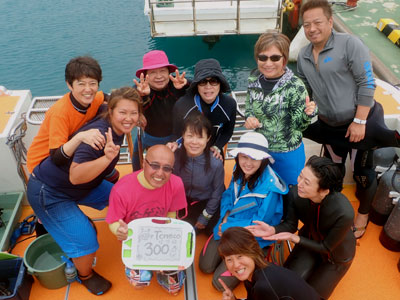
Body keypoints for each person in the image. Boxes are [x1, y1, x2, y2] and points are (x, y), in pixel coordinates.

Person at [297, 0, 400, 238]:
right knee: (331, 170)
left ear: (330, 21)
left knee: (363, 173)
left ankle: (362, 214)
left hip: (361, 123)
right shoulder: (303, 55)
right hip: (328, 125)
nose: (311, 28)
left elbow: (367, 82)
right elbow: (305, 88)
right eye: (306, 24)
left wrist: (360, 121)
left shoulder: (350, 44)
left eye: (317, 22)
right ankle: (332, 209)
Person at [27, 87, 142, 295]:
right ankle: (85, 275)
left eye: (133, 113)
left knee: (127, 197)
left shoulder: (116, 123)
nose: (128, 118)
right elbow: (76, 176)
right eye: (123, 113)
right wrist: (107, 159)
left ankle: (63, 222)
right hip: (50, 192)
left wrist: (137, 117)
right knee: (88, 241)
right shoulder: (98, 137)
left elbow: (118, 104)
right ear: (111, 112)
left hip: (84, 185)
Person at [247, 156, 356, 299]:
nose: (300, 184)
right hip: (309, 240)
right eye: (300, 176)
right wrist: (273, 229)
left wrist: (295, 238)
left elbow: (326, 247)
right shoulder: (295, 194)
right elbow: (291, 224)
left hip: (335, 256)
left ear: (324, 190)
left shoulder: (344, 212)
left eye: (307, 182)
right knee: (284, 286)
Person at [198, 132, 288, 291]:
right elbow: (227, 196)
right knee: (205, 267)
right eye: (244, 157)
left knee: (219, 284)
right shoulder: (238, 170)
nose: (247, 163)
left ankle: (262, 253)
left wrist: (226, 228)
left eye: (254, 158)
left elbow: (259, 225)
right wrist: (225, 217)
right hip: (228, 225)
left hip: (252, 238)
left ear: (263, 159)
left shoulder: (270, 188)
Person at [106, 145, 187, 295]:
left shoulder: (176, 184)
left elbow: (171, 213)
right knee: (139, 282)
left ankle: (162, 273)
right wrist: (120, 230)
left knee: (173, 287)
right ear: (144, 162)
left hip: (161, 236)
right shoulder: (121, 190)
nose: (160, 173)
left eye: (167, 168)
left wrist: (168, 243)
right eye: (155, 166)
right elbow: (113, 220)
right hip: (135, 239)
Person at [244, 32, 316, 186]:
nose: (268, 63)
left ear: (284, 59)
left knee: (290, 196)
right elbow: (249, 108)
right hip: (260, 151)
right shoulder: (253, 79)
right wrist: (249, 118)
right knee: (262, 193)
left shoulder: (295, 86)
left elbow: (300, 126)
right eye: (263, 57)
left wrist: (308, 114)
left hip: (287, 155)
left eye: (275, 58)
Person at [27, 56, 107, 174]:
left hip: (66, 152)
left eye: (93, 83)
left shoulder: (95, 99)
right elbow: (56, 157)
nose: (88, 89)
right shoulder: (60, 113)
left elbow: (109, 97)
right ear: (70, 85)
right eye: (81, 84)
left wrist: (136, 108)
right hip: (42, 162)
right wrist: (80, 136)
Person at [217, 227, 320, 300]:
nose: (235, 265)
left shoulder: (264, 286)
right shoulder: (254, 273)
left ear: (252, 251)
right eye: (229, 259)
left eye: (240, 256)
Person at [132, 50, 190, 171]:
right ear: (145, 75)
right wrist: (142, 95)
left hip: (176, 136)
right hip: (150, 135)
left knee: (177, 165)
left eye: (163, 71)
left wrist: (187, 84)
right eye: (153, 72)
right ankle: (135, 176)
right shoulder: (140, 88)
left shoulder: (178, 82)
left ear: (169, 72)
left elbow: (201, 85)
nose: (159, 76)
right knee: (137, 154)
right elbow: (125, 100)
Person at [170, 58, 237, 160]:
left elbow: (227, 131)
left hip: (213, 151)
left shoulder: (229, 104)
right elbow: (176, 132)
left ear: (220, 84)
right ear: (197, 85)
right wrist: (174, 143)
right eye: (202, 82)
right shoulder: (182, 105)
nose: (208, 87)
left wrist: (217, 146)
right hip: (188, 150)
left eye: (213, 81)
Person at [173, 113, 225, 234]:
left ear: (208, 138)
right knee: (180, 232)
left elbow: (217, 193)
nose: (194, 142)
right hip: (184, 201)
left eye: (200, 137)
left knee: (215, 232)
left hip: (206, 202)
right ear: (183, 135)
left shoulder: (215, 163)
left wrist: (205, 217)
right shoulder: (174, 157)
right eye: (190, 136)